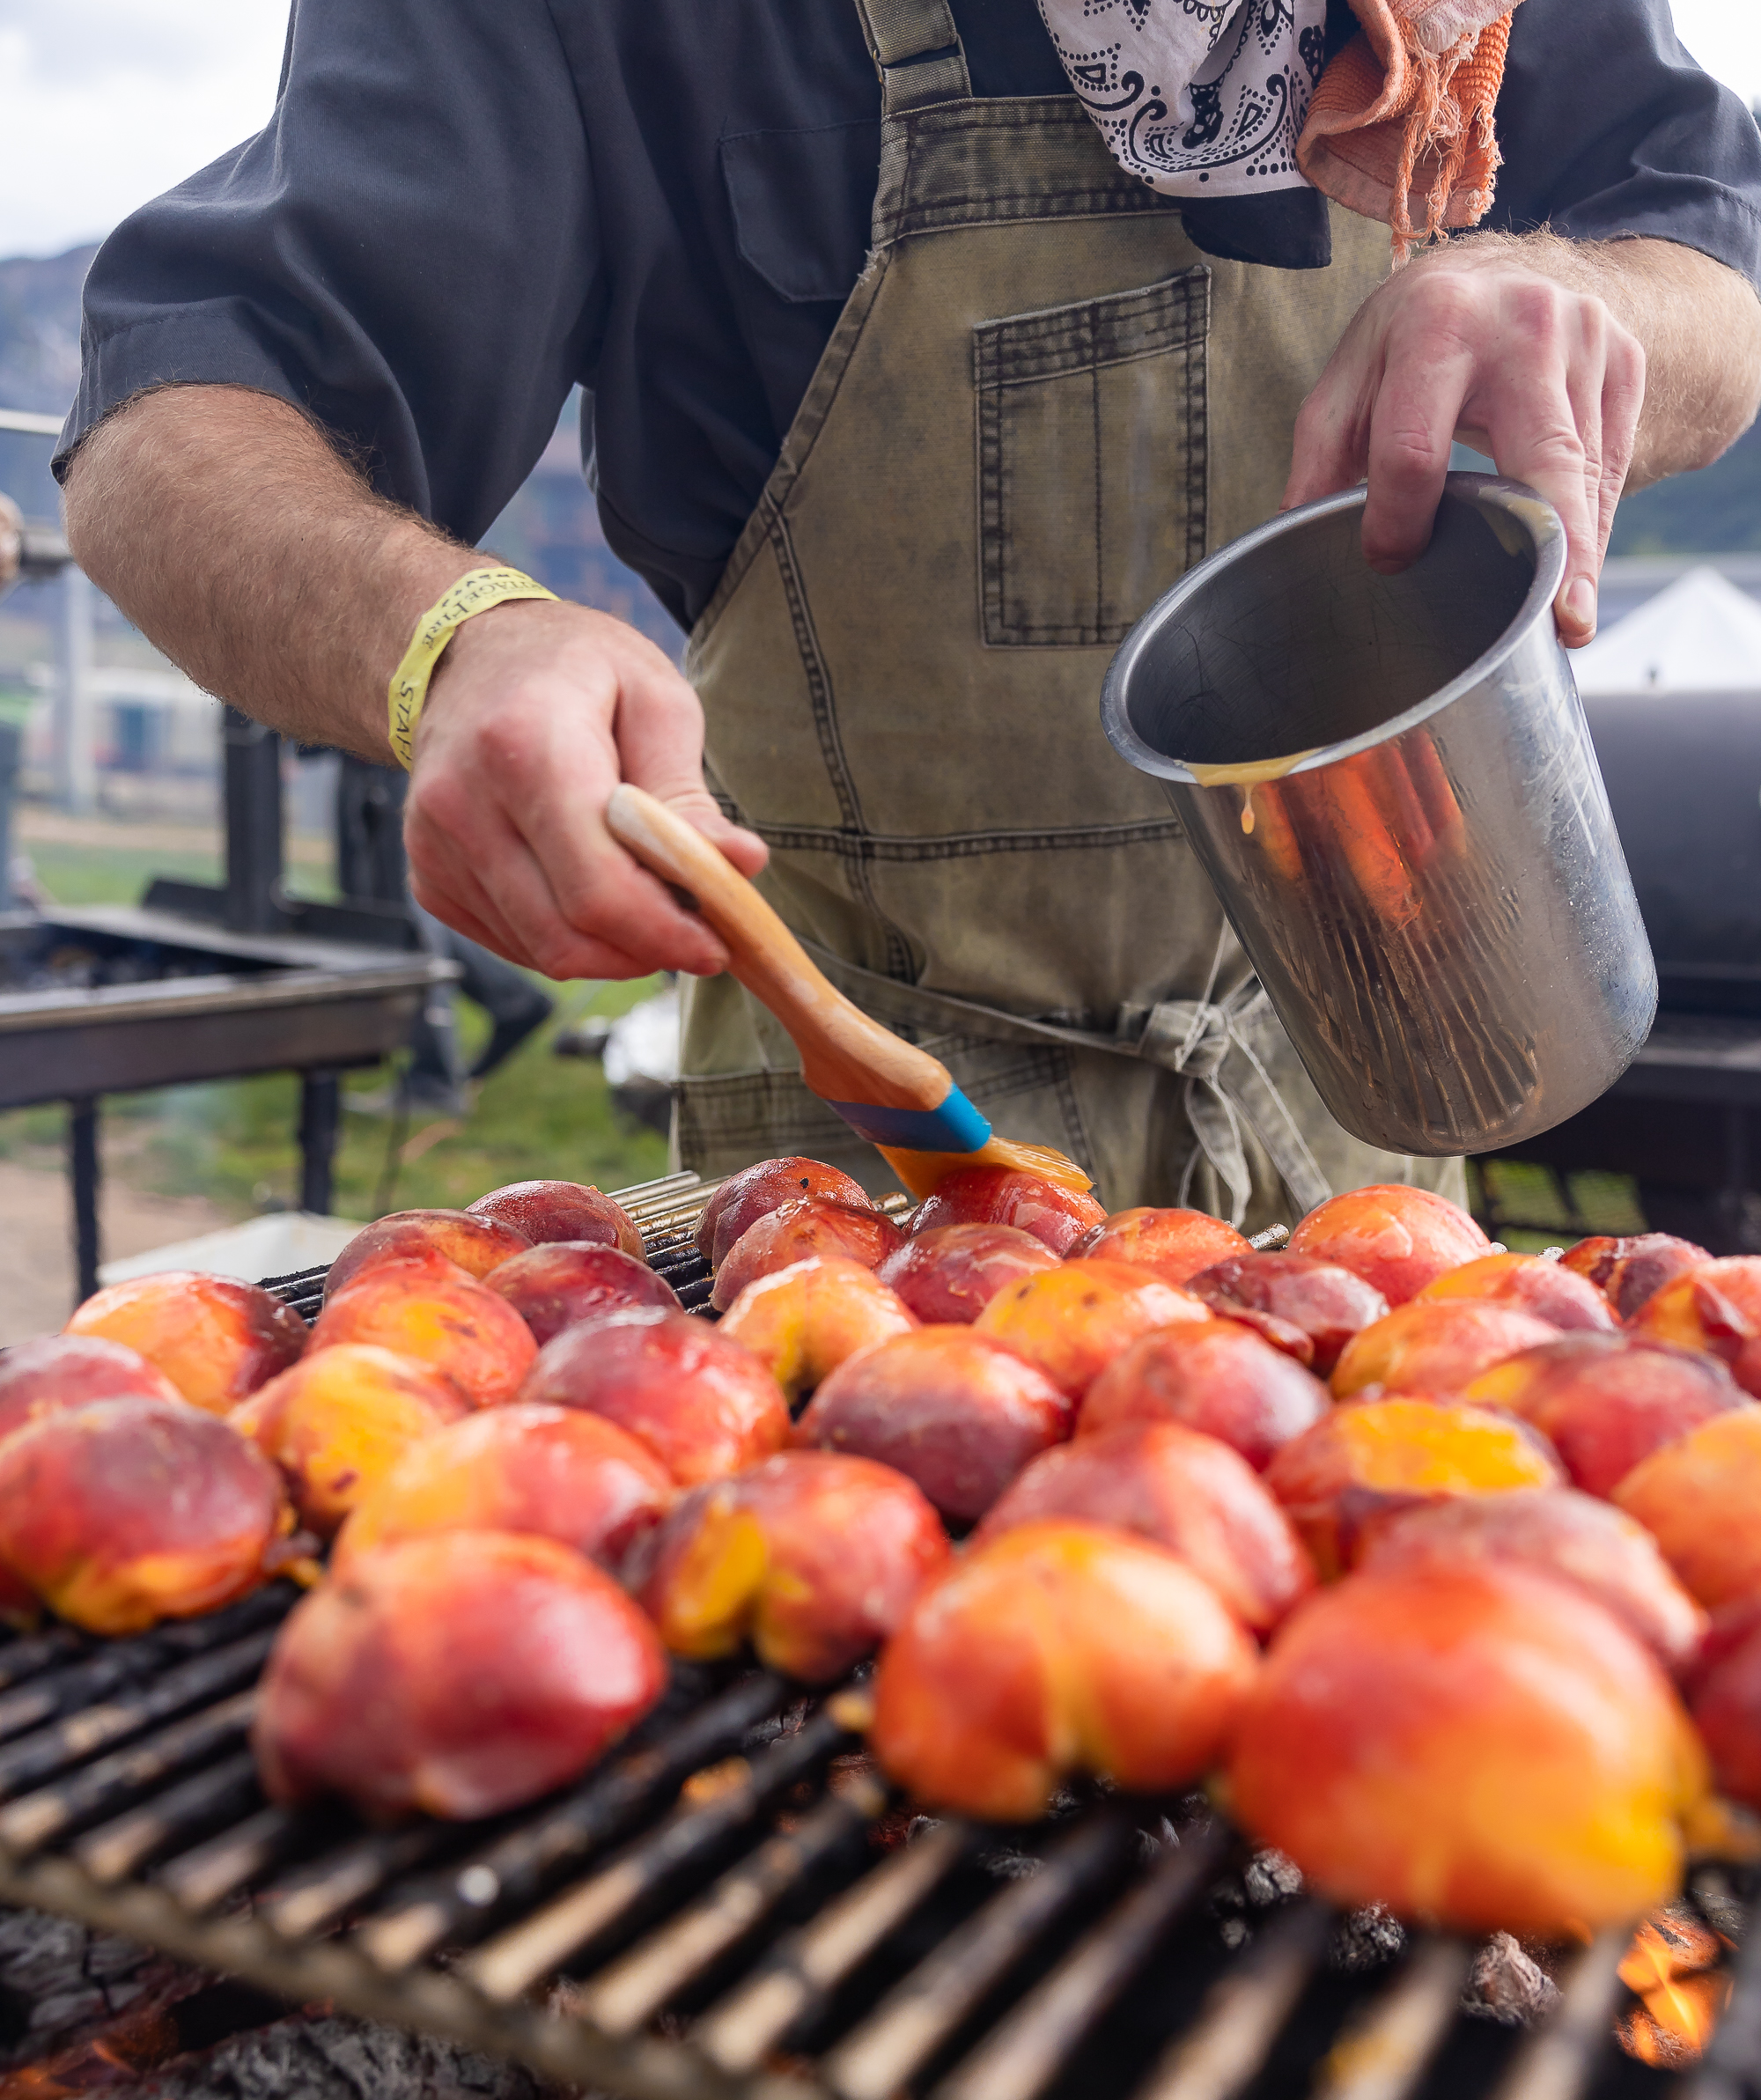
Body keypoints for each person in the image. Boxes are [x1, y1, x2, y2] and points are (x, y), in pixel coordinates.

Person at [55, 0, 1761, 1225]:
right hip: (857, 1218)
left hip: (1356, 1187)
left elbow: (1712, 265)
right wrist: (450, 634)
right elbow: (165, 428)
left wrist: (1581, 293)